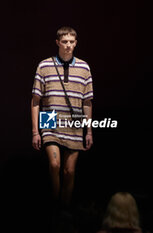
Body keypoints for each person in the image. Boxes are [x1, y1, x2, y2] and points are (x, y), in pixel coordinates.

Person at [31, 26, 94, 207]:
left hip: (74, 122)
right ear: (58, 42)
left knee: (69, 171)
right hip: (49, 118)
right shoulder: (44, 65)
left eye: (71, 42)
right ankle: (55, 207)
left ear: (76, 43)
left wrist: (88, 131)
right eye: (64, 42)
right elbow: (36, 100)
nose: (68, 45)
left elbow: (87, 102)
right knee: (54, 165)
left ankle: (64, 211)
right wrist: (36, 131)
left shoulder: (84, 67)